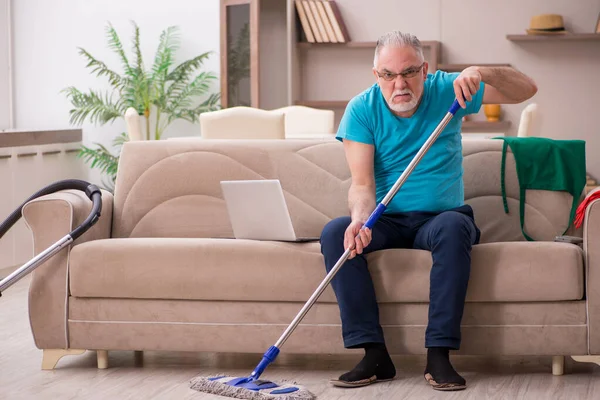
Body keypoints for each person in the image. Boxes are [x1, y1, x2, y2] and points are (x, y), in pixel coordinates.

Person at [319, 31, 537, 391]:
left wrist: (479, 72)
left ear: (425, 69)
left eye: (408, 72)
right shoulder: (361, 109)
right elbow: (361, 184)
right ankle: (375, 354)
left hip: (440, 218)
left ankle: (439, 354)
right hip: (384, 219)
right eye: (388, 75)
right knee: (335, 233)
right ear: (376, 75)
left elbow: (526, 89)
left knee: (453, 227)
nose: (399, 84)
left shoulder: (449, 89)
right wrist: (360, 219)